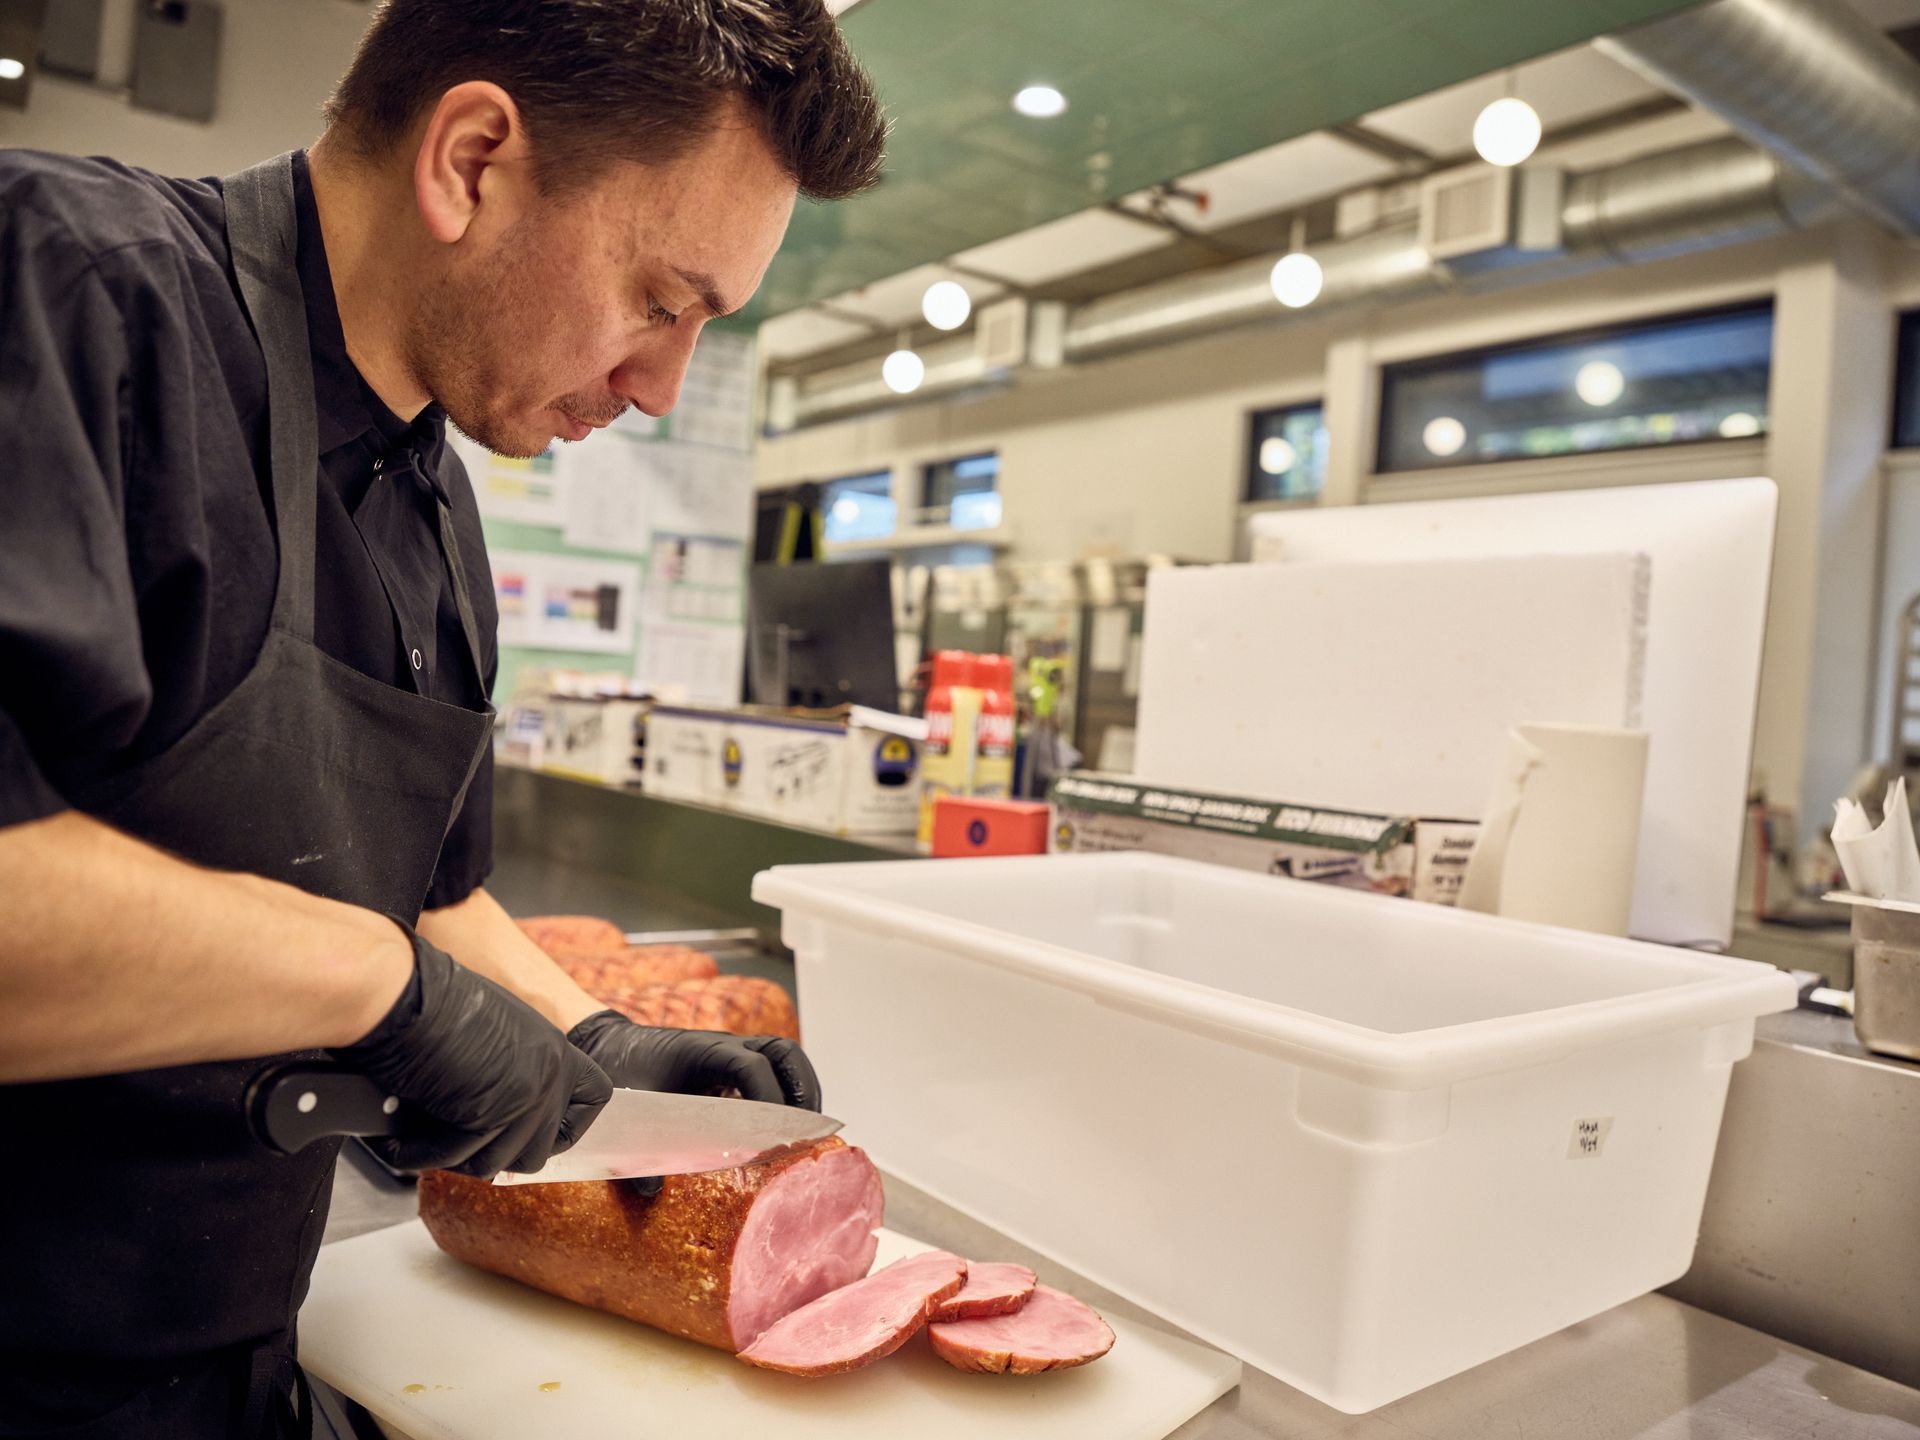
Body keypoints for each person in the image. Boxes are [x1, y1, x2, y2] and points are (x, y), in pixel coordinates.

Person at [0, 1, 887, 1434]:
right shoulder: (74, 284)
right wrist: (382, 995)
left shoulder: (435, 504)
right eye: (661, 303)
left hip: (233, 1363)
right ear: (473, 159)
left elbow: (433, 898)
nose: (661, 386)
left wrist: (592, 1044)